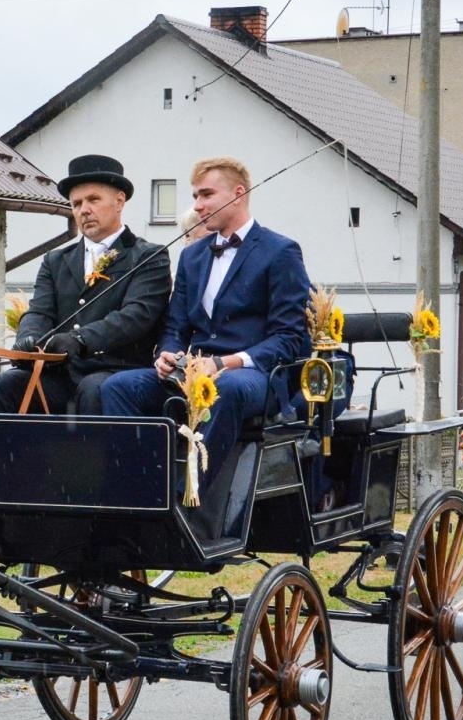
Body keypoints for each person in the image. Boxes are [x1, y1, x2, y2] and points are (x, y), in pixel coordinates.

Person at [101, 156, 310, 486]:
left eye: (206, 195)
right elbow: (175, 326)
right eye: (195, 196)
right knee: (118, 387)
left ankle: (188, 500)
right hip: (191, 371)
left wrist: (223, 362)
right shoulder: (192, 256)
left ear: (238, 194)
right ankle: (139, 487)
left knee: (224, 388)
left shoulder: (280, 251)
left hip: (254, 376)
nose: (197, 205)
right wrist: (166, 354)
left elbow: (288, 338)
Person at [0, 154, 171, 415]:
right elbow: (40, 311)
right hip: (59, 377)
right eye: (76, 203)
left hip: (113, 373)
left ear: (119, 201)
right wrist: (28, 338)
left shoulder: (149, 256)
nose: (84, 210)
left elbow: (136, 316)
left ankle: (89, 457)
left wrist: (80, 339)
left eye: (93, 199)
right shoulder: (56, 260)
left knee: (94, 390)